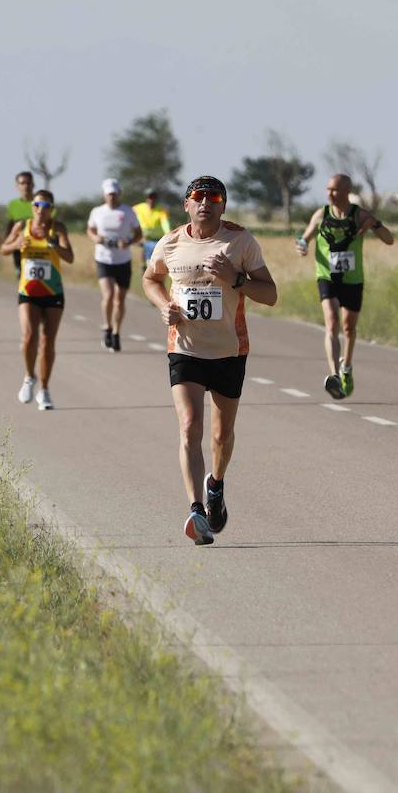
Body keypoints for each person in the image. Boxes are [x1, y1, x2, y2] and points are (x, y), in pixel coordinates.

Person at [142, 176, 277, 546]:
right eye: (198, 197)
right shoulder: (170, 243)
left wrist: (235, 280)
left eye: (214, 197)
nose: (206, 202)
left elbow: (270, 294)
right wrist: (163, 305)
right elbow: (150, 279)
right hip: (184, 348)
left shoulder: (239, 241)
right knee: (189, 427)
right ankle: (196, 510)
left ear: (223, 205)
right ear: (186, 204)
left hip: (228, 351)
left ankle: (215, 484)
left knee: (221, 435)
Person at [296, 174, 395, 400]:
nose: (330, 194)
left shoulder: (359, 215)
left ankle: (346, 369)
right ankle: (333, 376)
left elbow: (389, 240)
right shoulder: (321, 214)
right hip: (327, 275)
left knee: (349, 328)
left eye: (335, 190)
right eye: (328, 189)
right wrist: (301, 246)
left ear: (346, 191)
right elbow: (305, 238)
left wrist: (376, 224)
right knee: (332, 321)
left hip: (352, 278)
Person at [1, 189, 73, 410]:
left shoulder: (57, 228)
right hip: (28, 292)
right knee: (29, 336)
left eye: (46, 206)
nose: (41, 210)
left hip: (52, 293)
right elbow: (3, 248)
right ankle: (28, 377)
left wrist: (54, 245)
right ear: (32, 207)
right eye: (37, 205)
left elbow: (69, 257)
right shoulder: (22, 226)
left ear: (52, 209)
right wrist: (15, 245)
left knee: (47, 341)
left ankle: (44, 389)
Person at [87, 178, 141, 352]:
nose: (112, 197)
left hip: (122, 260)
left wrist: (129, 242)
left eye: (114, 194)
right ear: (104, 194)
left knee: (120, 300)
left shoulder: (128, 212)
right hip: (103, 259)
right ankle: (107, 327)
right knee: (109, 295)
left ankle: (117, 332)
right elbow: (90, 229)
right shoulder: (97, 211)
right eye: (109, 194)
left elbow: (138, 234)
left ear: (119, 194)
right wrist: (96, 238)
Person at [3, 171, 36, 272]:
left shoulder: (39, 203)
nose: (25, 186)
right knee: (22, 279)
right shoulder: (12, 205)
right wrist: (10, 243)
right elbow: (9, 228)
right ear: (17, 186)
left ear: (33, 185)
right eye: (22, 183)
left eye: (28, 183)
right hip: (20, 249)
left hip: (37, 248)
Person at [133, 188, 172, 273]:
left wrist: (168, 234)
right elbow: (129, 216)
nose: (151, 199)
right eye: (150, 197)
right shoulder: (138, 208)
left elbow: (165, 223)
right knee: (142, 247)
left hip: (157, 239)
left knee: (154, 263)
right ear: (146, 198)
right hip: (144, 238)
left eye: (153, 197)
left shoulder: (161, 210)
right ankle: (142, 265)